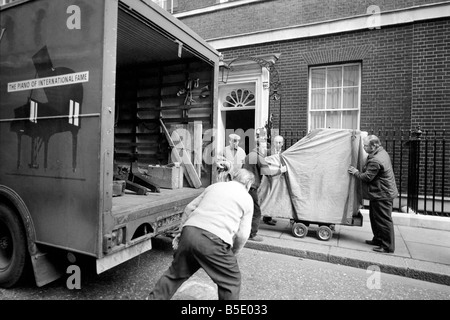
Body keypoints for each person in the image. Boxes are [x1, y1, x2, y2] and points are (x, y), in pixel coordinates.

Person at [148, 169, 255, 300]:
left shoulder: (214, 186)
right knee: (231, 281)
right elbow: (243, 234)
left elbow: (189, 208)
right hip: (214, 239)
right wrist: (234, 253)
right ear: (248, 185)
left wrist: (182, 234)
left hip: (190, 231)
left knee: (175, 273)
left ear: (233, 177)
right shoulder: (247, 198)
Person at [348, 135, 398, 253]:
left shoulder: (376, 160)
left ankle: (387, 246)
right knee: (375, 218)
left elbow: (367, 177)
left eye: (366, 146)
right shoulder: (381, 153)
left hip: (383, 194)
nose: (364, 148)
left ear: (374, 145)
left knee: (383, 220)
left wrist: (355, 172)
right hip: (380, 192)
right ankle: (378, 239)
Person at [243, 135, 286, 241]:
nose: (265, 149)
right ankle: (252, 234)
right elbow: (268, 173)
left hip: (243, 186)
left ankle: (242, 231)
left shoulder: (249, 155)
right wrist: (281, 170)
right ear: (258, 146)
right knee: (256, 212)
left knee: (246, 210)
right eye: (263, 147)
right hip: (251, 187)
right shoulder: (259, 157)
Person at [262, 135, 285, 226]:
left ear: (282, 143)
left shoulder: (284, 153)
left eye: (280, 142)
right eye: (276, 142)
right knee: (268, 195)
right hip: (268, 177)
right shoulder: (268, 152)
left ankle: (269, 216)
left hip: (278, 177)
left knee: (275, 196)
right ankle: (266, 217)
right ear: (273, 143)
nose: (278, 144)